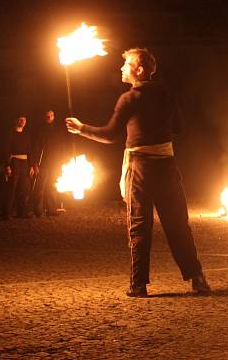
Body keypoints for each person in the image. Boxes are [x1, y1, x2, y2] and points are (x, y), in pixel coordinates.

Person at [65, 48, 210, 297]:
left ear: (140, 70)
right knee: (178, 224)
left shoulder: (129, 98)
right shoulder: (167, 94)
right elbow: (178, 128)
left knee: (139, 225)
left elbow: (110, 134)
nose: (121, 68)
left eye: (127, 65)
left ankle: (138, 285)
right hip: (167, 166)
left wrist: (82, 129)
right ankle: (197, 279)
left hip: (140, 168)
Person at [30, 109, 66, 217]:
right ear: (44, 117)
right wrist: (35, 163)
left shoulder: (58, 131)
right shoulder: (40, 130)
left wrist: (62, 161)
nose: (49, 117)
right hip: (43, 163)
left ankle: (51, 209)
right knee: (40, 187)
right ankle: (38, 211)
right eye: (47, 116)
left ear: (54, 116)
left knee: (52, 187)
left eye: (51, 115)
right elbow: (35, 147)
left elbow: (61, 147)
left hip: (54, 163)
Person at [1, 115, 35, 219]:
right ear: (15, 120)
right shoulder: (10, 135)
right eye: (20, 119)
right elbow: (6, 151)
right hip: (14, 163)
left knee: (24, 189)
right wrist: (7, 165)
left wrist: (32, 166)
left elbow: (29, 151)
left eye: (24, 119)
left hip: (24, 164)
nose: (23, 121)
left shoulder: (26, 135)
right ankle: (6, 213)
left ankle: (22, 212)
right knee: (12, 188)